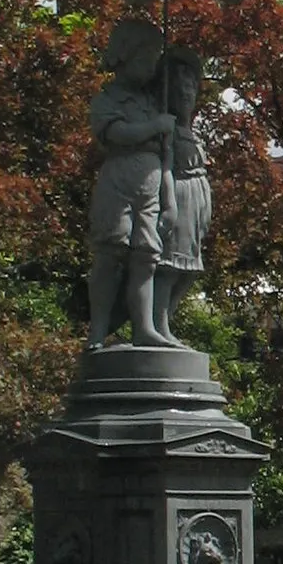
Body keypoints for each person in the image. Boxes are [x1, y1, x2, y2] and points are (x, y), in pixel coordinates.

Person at [86, 18, 174, 348]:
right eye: (147, 57)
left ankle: (145, 327)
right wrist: (155, 126)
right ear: (126, 56)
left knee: (145, 256)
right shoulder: (108, 100)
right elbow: (117, 134)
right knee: (111, 252)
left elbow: (166, 157)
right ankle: (98, 329)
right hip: (118, 181)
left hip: (148, 185)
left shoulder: (153, 102)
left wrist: (169, 199)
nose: (152, 65)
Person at [152, 48, 213, 344]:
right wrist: (168, 204)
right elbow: (165, 165)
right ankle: (158, 324)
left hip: (196, 201)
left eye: (191, 89)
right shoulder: (169, 130)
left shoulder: (194, 132)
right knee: (170, 265)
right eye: (180, 90)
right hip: (179, 195)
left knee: (189, 271)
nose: (187, 95)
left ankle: (167, 321)